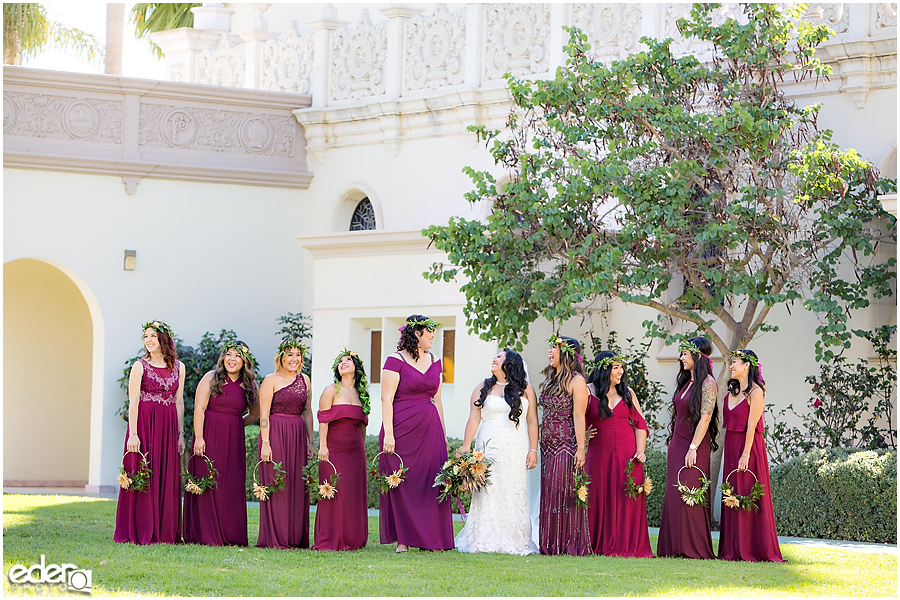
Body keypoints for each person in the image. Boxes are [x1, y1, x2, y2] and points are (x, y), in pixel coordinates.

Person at [379, 314, 454, 552]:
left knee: (430, 482)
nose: (433, 336)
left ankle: (430, 539)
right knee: (403, 482)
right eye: (429, 332)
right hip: (400, 428)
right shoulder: (395, 359)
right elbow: (386, 398)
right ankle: (404, 539)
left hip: (429, 428)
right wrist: (389, 434)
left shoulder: (436, 360)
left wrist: (443, 434)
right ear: (416, 334)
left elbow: (438, 400)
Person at [455, 349, 540, 555]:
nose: (494, 358)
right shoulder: (482, 388)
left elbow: (532, 421)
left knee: (512, 490)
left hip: (515, 446)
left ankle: (514, 539)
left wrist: (533, 449)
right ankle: (484, 538)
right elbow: (473, 419)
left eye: (500, 356)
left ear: (510, 363)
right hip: (487, 447)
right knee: (488, 491)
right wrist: (466, 447)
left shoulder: (526, 389)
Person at [114, 320, 186, 544]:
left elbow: (179, 401)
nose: (148, 340)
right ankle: (140, 528)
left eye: (153, 336)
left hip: (167, 427)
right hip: (144, 425)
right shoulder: (140, 366)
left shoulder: (179, 367)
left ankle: (164, 531)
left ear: (164, 339)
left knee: (165, 474)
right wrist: (133, 434)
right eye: (146, 336)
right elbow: (133, 401)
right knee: (144, 472)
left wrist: (181, 434)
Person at [183, 341, 260, 546]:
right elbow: (199, 408)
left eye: (237, 355)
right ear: (223, 357)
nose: (232, 359)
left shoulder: (249, 385)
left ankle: (230, 533)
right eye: (229, 354)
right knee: (207, 481)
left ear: (244, 361)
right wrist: (199, 438)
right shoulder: (211, 378)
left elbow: (255, 414)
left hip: (233, 440)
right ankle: (203, 533)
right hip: (207, 435)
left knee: (229, 484)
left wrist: (235, 425)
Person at [584, 351, 654, 557]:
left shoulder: (628, 393)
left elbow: (641, 425)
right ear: (604, 370)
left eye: (621, 367)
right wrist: (584, 436)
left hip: (627, 455)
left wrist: (640, 451)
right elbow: (577, 420)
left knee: (626, 497)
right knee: (598, 496)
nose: (621, 371)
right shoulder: (588, 392)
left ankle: (627, 544)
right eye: (616, 367)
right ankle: (598, 544)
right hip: (599, 455)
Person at [656, 337, 719, 559]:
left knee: (690, 492)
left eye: (685, 353)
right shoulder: (686, 382)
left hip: (694, 444)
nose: (681, 357)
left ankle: (693, 548)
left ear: (697, 355)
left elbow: (705, 418)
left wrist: (693, 447)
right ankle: (672, 547)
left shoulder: (708, 383)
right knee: (675, 494)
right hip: (677, 444)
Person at [718, 349, 784, 562]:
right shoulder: (731, 392)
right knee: (732, 492)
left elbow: (751, 426)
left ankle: (752, 548)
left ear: (747, 365)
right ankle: (732, 549)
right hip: (731, 446)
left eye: (735, 362)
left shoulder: (756, 392)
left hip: (749, 448)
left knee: (747, 492)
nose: (731, 366)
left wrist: (745, 454)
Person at [256, 339, 314, 549]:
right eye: (290, 354)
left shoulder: (305, 380)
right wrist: (265, 442)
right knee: (277, 483)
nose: (294, 359)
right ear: (281, 357)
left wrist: (311, 441)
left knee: (297, 485)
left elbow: (307, 411)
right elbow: (263, 415)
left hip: (298, 435)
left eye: (298, 355)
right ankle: (277, 537)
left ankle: (295, 537)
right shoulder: (270, 380)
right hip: (275, 434)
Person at [538, 335, 591, 556]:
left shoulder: (576, 381)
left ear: (566, 353)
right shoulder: (551, 379)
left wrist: (580, 448)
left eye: (554, 348)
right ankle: (550, 544)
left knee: (563, 493)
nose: (550, 351)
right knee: (550, 493)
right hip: (547, 446)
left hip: (565, 445)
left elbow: (579, 417)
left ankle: (568, 544)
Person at [313, 348, 370, 551]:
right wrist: (323, 446)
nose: (343, 362)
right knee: (333, 492)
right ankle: (330, 538)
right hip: (333, 450)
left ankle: (353, 538)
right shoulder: (331, 390)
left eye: (348, 360)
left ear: (357, 367)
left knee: (352, 493)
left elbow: (363, 425)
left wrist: (362, 447)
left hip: (356, 452)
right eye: (340, 361)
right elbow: (323, 421)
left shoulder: (362, 393)